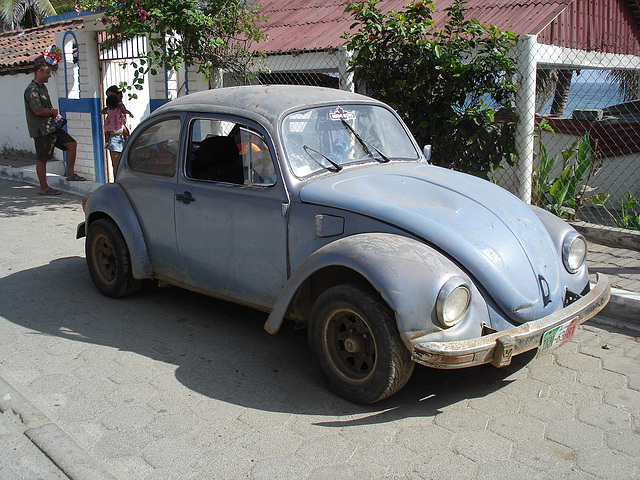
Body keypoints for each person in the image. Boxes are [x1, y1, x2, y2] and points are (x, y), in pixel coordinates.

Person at [24, 56, 85, 195]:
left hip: (52, 127)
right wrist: (53, 112)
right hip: (42, 130)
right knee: (43, 159)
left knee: (71, 144)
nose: (49, 76)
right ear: (39, 72)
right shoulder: (32, 90)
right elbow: (38, 110)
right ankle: (44, 188)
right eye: (47, 73)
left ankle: (70, 174)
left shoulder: (42, 88)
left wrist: (55, 116)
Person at [102, 94, 127, 171]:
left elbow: (102, 111)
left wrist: (108, 107)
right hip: (121, 136)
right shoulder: (120, 111)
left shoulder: (109, 111)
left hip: (113, 137)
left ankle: (116, 179)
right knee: (123, 164)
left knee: (115, 165)